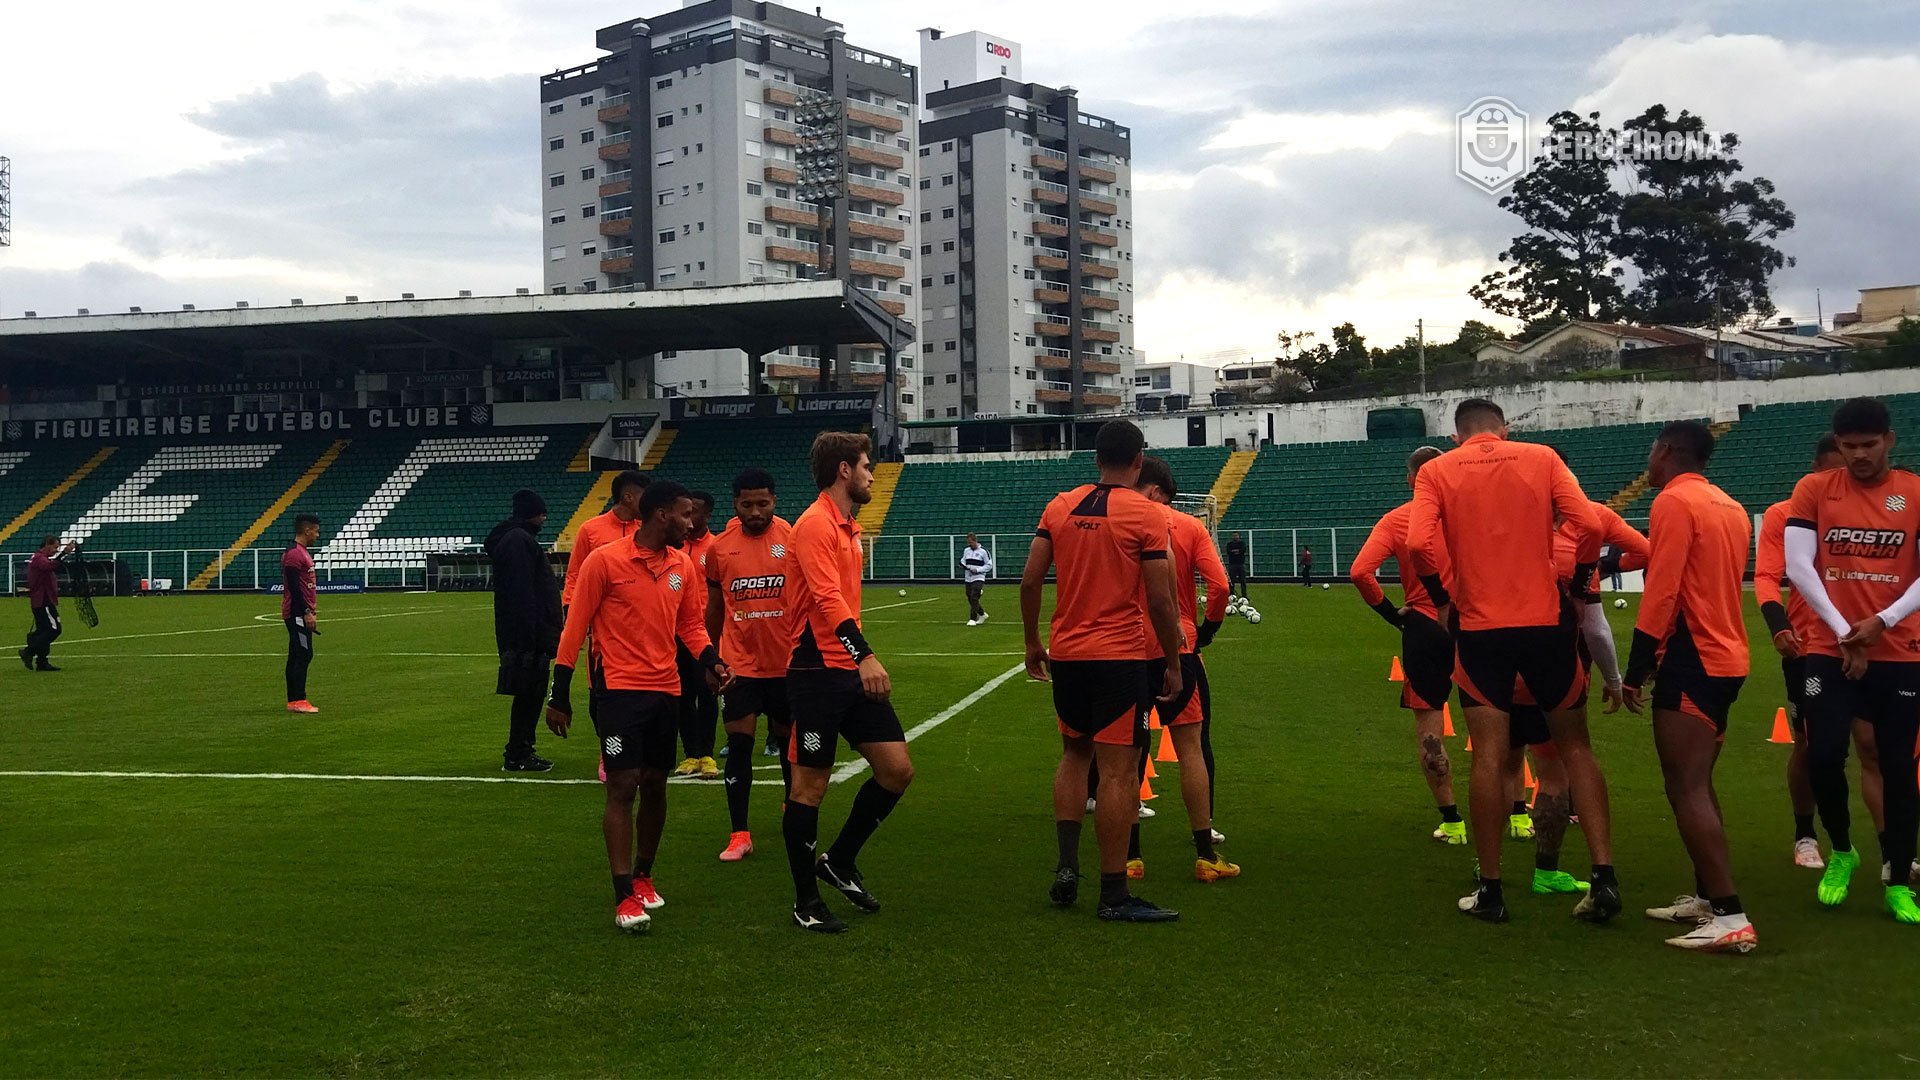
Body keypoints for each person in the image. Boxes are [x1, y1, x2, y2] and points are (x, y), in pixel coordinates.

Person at [1406, 397, 1619, 924]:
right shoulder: (1541, 456)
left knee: (1489, 757)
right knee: (1576, 750)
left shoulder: (1437, 469)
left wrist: (1440, 600)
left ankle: (1493, 890)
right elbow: (1590, 526)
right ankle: (1604, 878)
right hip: (1546, 623)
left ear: (1458, 436)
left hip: (1481, 629)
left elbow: (1416, 544)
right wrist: (1575, 585)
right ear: (1503, 429)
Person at [547, 480, 731, 933]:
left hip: (666, 689)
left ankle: (646, 876)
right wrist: (560, 692)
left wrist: (713, 660)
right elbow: (576, 628)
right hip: (618, 690)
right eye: (686, 515)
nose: (693, 523)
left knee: (654, 783)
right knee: (622, 785)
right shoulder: (604, 562)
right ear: (661, 515)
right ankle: (623, 893)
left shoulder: (682, 566)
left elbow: (690, 625)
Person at [1022, 419, 1185, 923]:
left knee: (1073, 756)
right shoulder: (1146, 513)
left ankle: (1067, 866)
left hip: (1068, 655)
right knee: (1118, 772)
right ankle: (1114, 893)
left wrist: (1033, 643)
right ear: (1139, 462)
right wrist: (1174, 662)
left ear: (1096, 458)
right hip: (1118, 659)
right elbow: (1160, 598)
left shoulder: (1059, 505)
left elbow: (1030, 581)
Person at [1615, 421, 1756, 952]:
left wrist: (1633, 671)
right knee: (1701, 782)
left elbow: (1663, 590)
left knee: (1686, 786)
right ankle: (1707, 898)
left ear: (1667, 450)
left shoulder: (1674, 503)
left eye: (1651, 449)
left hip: (1694, 658)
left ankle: (1729, 915)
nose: (1648, 459)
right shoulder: (1730, 504)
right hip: (1727, 655)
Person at [1783, 397, 1920, 924]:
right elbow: (1799, 566)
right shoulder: (1815, 489)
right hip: (1829, 648)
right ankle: (1842, 851)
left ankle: (1898, 874)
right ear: (1837, 444)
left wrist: (1880, 624)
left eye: (1869, 444)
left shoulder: (1912, 492)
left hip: (1901, 651)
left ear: (1888, 440)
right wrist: (1845, 634)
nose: (1859, 455)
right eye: (1849, 446)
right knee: (1822, 755)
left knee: (1900, 768)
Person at [783, 432, 915, 934]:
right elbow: (824, 599)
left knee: (896, 770)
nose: (870, 476)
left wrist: (858, 658)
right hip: (816, 672)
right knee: (809, 787)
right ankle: (805, 902)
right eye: (865, 467)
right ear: (843, 470)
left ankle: (838, 860)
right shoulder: (815, 524)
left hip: (846, 668)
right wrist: (865, 655)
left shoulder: (847, 528)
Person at [1352, 446, 1470, 844]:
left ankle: (1452, 822)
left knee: (1430, 729)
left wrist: (1391, 614)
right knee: (1494, 722)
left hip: (1422, 627)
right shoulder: (1470, 513)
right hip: (1476, 622)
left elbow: (1361, 572)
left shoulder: (1398, 520)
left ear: (1410, 480)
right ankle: (1519, 815)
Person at [1132, 455, 1236, 880]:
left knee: (1127, 753)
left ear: (1149, 487)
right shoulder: (1190, 526)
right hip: (1178, 645)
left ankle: (1129, 857)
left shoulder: (1119, 520)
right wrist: (1205, 630)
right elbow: (1221, 586)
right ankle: (1205, 852)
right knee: (1192, 746)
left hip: (1125, 647)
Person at [1754, 435, 1850, 870]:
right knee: (1809, 743)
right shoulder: (1784, 513)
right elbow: (1768, 576)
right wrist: (1780, 627)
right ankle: (1805, 834)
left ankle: (1895, 851)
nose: (1836, 482)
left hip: (1869, 643)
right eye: (1828, 472)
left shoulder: (1868, 511)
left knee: (1882, 747)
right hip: (1808, 648)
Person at [705, 467, 796, 862]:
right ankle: (739, 833)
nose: (755, 511)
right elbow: (714, 608)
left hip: (788, 664)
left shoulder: (792, 540)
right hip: (739, 665)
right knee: (740, 744)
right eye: (747, 504)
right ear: (735, 504)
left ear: (774, 501)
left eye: (762, 503)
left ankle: (794, 811)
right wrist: (710, 658)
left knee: (791, 744)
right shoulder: (719, 549)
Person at [565, 470, 648, 781]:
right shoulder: (591, 530)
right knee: (600, 690)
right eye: (643, 494)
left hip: (643, 623)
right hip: (603, 626)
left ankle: (638, 748)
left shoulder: (648, 529)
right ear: (628, 496)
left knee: (645, 691)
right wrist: (572, 612)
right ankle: (608, 749)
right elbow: (574, 575)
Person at [488, 489, 561, 773]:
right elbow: (522, 593)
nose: (544, 517)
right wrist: (533, 631)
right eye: (541, 512)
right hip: (527, 634)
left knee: (529, 693)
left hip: (526, 630)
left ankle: (521, 749)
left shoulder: (516, 539)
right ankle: (518, 752)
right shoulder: (519, 541)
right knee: (529, 693)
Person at [675, 490, 722, 779]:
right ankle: (690, 753)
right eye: (688, 511)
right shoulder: (673, 547)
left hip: (704, 634)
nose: (691, 517)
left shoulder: (716, 547)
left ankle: (707, 753)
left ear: (708, 514)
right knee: (681, 695)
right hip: (674, 633)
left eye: (697, 511)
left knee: (707, 693)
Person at [20, 535, 77, 672]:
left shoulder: (38, 558)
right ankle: (29, 651)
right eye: (55, 547)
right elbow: (50, 566)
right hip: (43, 600)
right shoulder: (40, 558)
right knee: (54, 629)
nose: (56, 550)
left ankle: (41, 662)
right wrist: (65, 554)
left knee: (44, 630)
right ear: (47, 544)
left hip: (41, 600)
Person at [282, 514, 321, 714]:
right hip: (297, 613)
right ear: (307, 530)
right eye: (316, 530)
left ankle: (294, 700)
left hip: (300, 612)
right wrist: (306, 612)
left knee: (298, 654)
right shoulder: (294, 555)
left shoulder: (301, 553)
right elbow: (294, 588)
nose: (317, 535)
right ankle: (298, 699)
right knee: (303, 653)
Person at [960, 534, 995, 626]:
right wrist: (963, 565)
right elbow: (963, 560)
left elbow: (989, 565)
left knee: (974, 597)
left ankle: (972, 618)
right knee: (970, 597)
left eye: (970, 542)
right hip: (968, 577)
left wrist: (978, 570)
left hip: (978, 577)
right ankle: (982, 614)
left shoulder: (983, 551)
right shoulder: (966, 551)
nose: (969, 544)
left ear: (975, 541)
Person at [1223, 532, 1250, 600]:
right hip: (1232, 564)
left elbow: (1243, 550)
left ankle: (1244, 596)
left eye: (1236, 535)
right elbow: (1228, 552)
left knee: (1243, 580)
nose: (1235, 537)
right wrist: (1237, 551)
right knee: (1231, 581)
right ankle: (1231, 595)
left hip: (1241, 564)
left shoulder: (1242, 543)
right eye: (1234, 535)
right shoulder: (1230, 544)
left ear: (1238, 536)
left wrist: (1234, 551)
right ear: (1232, 536)